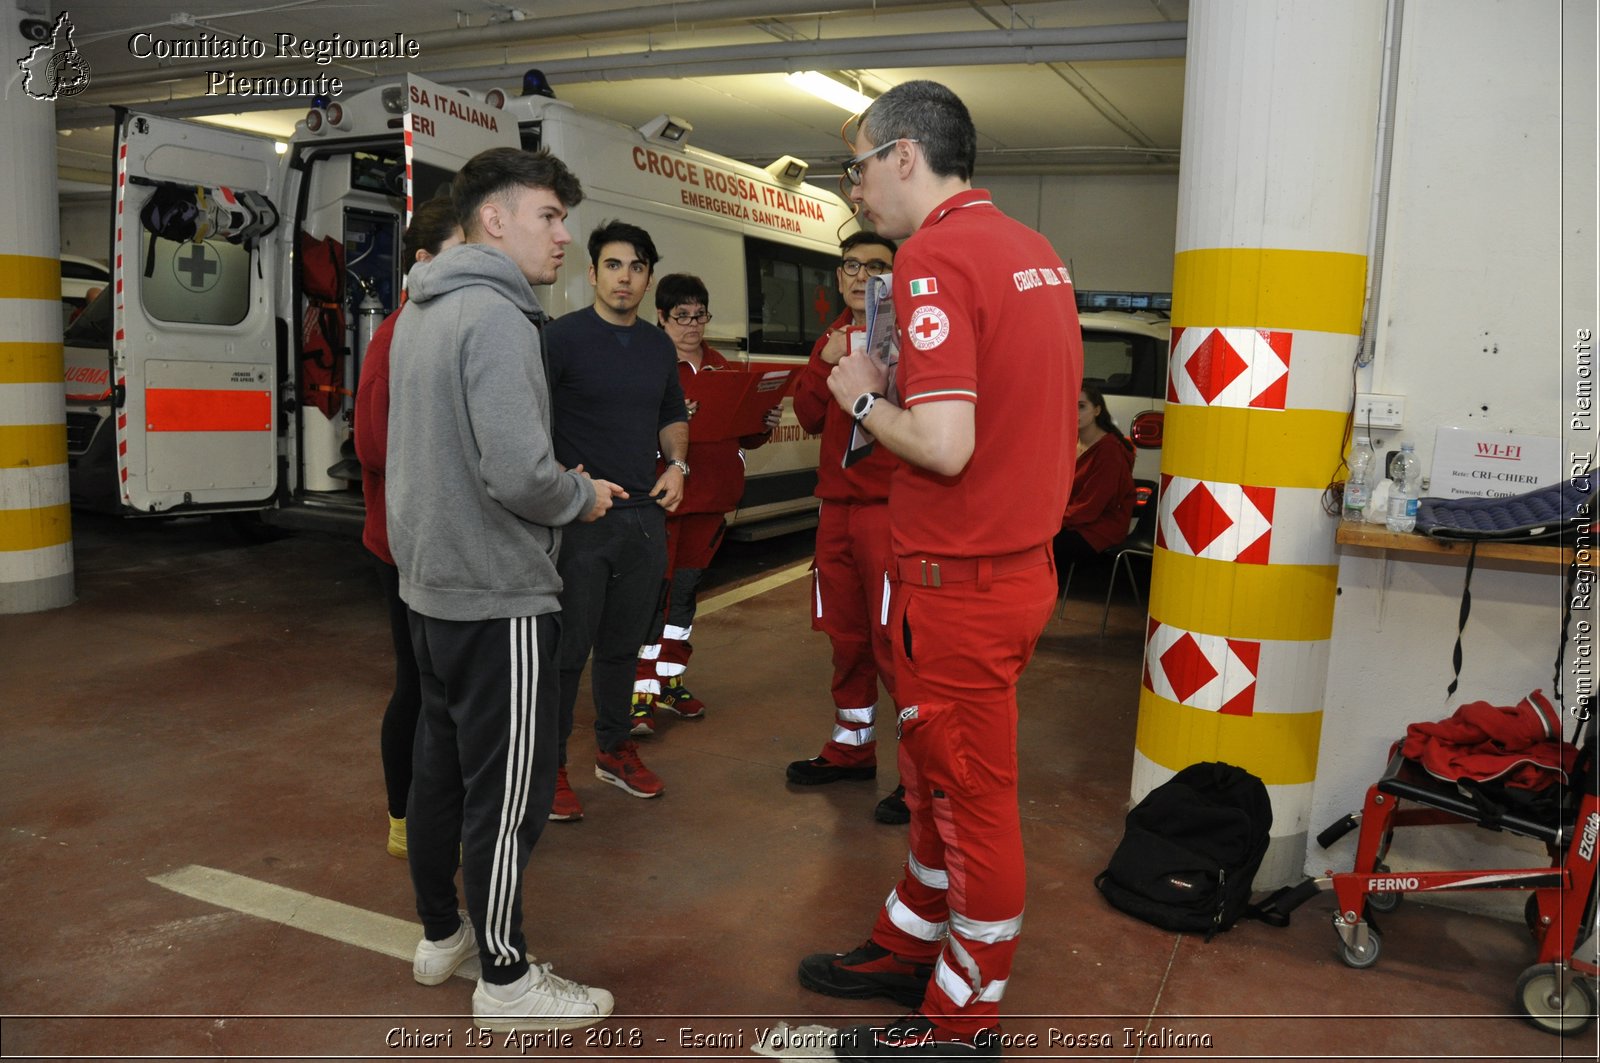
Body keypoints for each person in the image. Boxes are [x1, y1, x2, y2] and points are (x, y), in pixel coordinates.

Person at [798, 81, 1082, 1060]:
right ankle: (906, 945)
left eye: (859, 165)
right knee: (932, 785)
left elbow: (949, 443)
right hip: (1006, 569)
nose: (855, 186)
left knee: (968, 801)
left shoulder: (934, 257)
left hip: (957, 581)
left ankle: (961, 1021)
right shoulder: (1030, 250)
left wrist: (862, 399)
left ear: (904, 156)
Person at [385, 147, 623, 1031]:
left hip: (432, 589)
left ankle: (442, 935)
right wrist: (582, 495)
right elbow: (521, 474)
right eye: (549, 216)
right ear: (494, 218)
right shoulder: (497, 315)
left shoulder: (423, 307)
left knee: (438, 773)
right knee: (510, 795)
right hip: (498, 594)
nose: (564, 235)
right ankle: (507, 980)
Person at [544, 220, 689, 818]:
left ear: (648, 278)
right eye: (612, 265)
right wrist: (565, 480)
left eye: (635, 267)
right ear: (592, 272)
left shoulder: (658, 345)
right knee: (566, 650)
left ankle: (613, 749)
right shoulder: (561, 339)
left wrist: (679, 464)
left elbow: (671, 412)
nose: (623, 277)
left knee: (623, 647)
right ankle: (547, 767)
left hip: (642, 519)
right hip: (581, 519)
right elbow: (530, 418)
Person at [785, 232, 910, 825]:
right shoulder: (829, 339)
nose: (862, 277)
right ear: (838, 278)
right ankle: (852, 749)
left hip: (889, 511)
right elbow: (808, 415)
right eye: (851, 267)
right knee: (846, 637)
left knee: (898, 646)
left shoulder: (911, 340)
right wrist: (825, 359)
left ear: (895, 277)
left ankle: (920, 776)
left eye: (876, 267)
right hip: (836, 510)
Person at [352, 192, 463, 860]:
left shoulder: (446, 329)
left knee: (439, 688)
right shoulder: (397, 336)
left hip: (436, 537)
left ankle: (431, 812)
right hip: (406, 542)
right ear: (423, 262)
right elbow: (372, 445)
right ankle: (404, 818)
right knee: (419, 687)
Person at [628, 274, 780, 734]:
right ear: (660, 317)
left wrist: (764, 420)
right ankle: (639, 691)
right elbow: (622, 432)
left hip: (712, 500)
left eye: (701, 316)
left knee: (685, 598)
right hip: (662, 499)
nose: (693, 325)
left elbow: (748, 438)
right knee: (651, 598)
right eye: (682, 317)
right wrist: (671, 418)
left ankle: (671, 681)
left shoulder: (722, 367)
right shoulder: (645, 365)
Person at [1052, 382, 1137, 582]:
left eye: (1081, 406)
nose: (1075, 412)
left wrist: (1053, 522)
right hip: (1074, 520)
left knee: (1043, 546)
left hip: (1100, 526)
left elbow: (1092, 506)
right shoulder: (1072, 442)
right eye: (1070, 406)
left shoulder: (1109, 451)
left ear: (1097, 410)